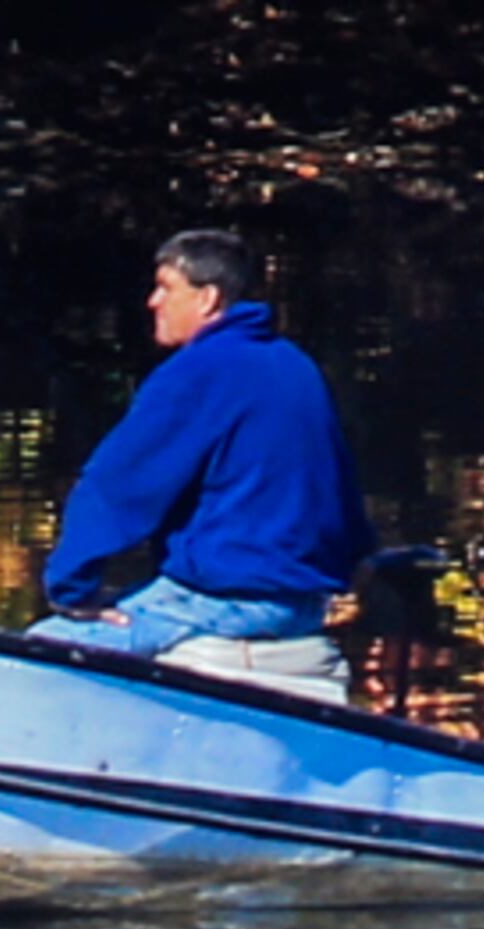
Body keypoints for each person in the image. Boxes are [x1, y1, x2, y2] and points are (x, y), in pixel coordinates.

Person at [30, 229, 371, 662]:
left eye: (166, 288)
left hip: (220, 603)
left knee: (45, 647)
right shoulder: (296, 366)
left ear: (207, 299)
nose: (153, 301)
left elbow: (117, 487)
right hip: (302, 605)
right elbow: (340, 490)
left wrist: (71, 593)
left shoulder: (199, 371)